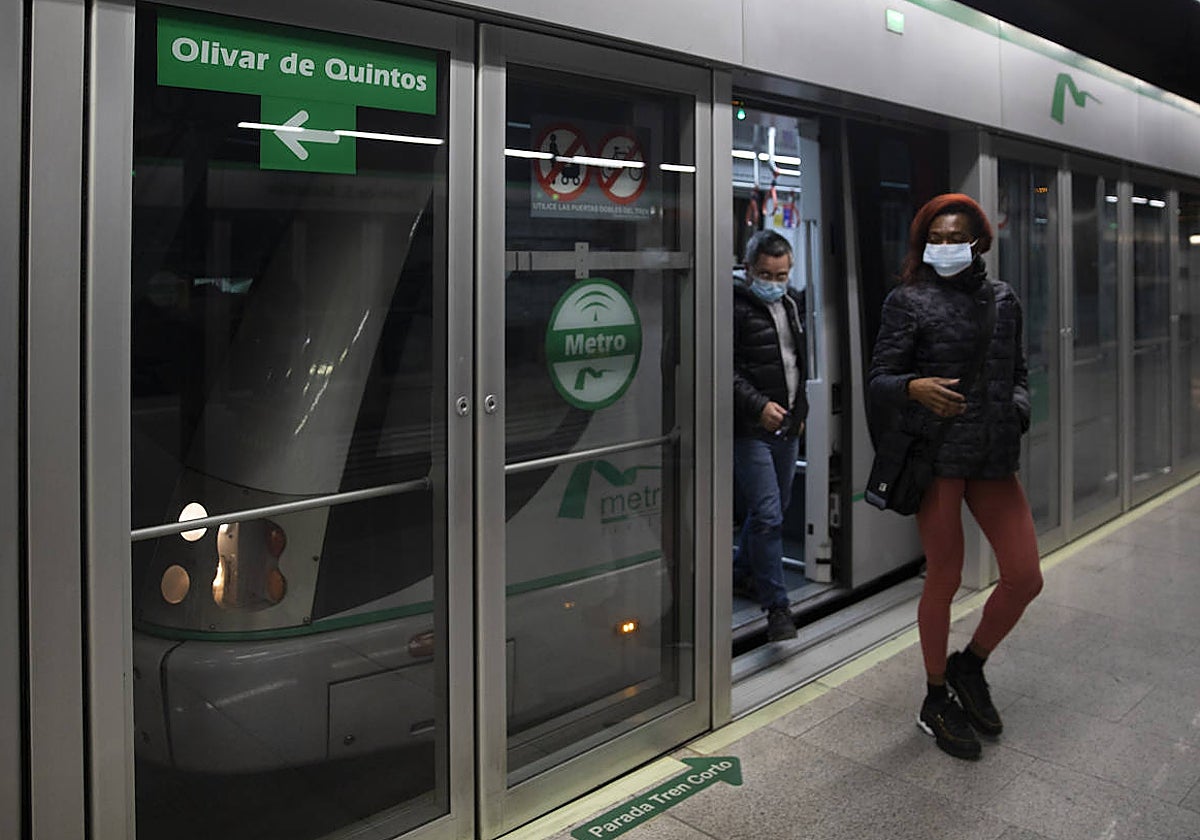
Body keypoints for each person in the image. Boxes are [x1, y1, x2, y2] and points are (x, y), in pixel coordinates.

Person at [868, 193, 1044, 760]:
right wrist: (912, 386)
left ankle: (970, 666)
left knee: (1024, 576)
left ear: (979, 242)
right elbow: (880, 379)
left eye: (955, 238)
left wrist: (1017, 410)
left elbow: (1018, 370)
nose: (944, 247)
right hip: (938, 458)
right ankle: (935, 695)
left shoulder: (1003, 299)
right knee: (943, 578)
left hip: (993, 456)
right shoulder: (907, 300)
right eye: (934, 239)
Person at [732, 229, 808, 642]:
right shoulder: (734, 307)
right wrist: (757, 406)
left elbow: (797, 362)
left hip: (786, 426)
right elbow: (723, 369)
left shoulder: (791, 304)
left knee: (774, 509)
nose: (774, 282)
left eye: (781, 275)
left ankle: (742, 572)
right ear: (748, 269)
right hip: (751, 429)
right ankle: (778, 608)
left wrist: (800, 412)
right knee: (767, 516)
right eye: (766, 273)